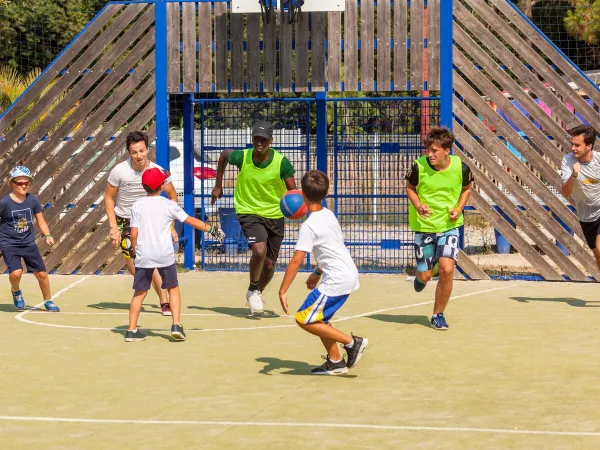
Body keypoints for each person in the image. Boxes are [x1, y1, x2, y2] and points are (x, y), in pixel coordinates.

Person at [279, 170, 368, 376]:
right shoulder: (328, 215)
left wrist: (283, 290)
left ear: (301, 194)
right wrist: (317, 272)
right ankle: (335, 361)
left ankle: (352, 342)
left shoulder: (309, 226)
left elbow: (296, 260)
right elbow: (331, 247)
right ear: (327, 193)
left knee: (303, 318)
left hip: (337, 279)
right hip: (345, 273)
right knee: (319, 318)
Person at [125, 168, 225, 342]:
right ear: (162, 186)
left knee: (139, 293)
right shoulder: (169, 205)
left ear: (143, 186)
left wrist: (134, 249)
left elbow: (134, 233)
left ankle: (131, 330)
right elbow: (189, 220)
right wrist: (211, 229)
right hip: (164, 255)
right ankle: (176, 325)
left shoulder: (137, 205)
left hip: (144, 254)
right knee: (173, 289)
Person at [211, 120, 296, 315]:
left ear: (270, 141)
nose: (259, 143)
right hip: (248, 210)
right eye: (256, 138)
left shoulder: (281, 163)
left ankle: (254, 291)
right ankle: (254, 285)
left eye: (263, 140)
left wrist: (297, 208)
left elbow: (294, 192)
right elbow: (224, 155)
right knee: (259, 251)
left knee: (269, 264)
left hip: (275, 214)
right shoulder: (243, 157)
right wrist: (218, 185)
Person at [405, 126, 473, 330]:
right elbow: (409, 188)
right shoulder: (418, 167)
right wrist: (418, 205)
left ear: (446, 150)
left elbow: (467, 189)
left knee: (447, 269)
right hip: (424, 227)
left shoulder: (462, 168)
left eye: (434, 150)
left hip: (449, 227)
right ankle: (421, 276)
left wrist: (459, 208)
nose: (430, 154)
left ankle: (437, 315)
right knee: (425, 275)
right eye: (428, 150)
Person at [104, 131, 179, 316]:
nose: (139, 156)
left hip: (150, 221)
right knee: (135, 266)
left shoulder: (158, 171)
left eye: (142, 151)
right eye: (134, 152)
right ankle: (157, 295)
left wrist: (170, 226)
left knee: (150, 262)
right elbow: (108, 197)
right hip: (126, 221)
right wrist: (113, 227)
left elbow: (172, 195)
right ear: (129, 153)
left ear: (147, 149)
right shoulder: (119, 171)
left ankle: (163, 300)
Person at [0, 166, 60, 312]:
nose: (24, 186)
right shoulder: (4, 203)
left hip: (28, 243)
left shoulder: (32, 200)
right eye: (20, 183)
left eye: (27, 183)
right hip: (9, 243)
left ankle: (48, 301)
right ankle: (16, 292)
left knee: (42, 274)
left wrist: (48, 235)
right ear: (13, 184)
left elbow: (41, 220)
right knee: (16, 273)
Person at [560, 124, 600, 270]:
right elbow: (566, 192)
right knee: (597, 254)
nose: (572, 148)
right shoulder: (568, 161)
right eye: (572, 144)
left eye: (577, 145)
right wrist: (574, 175)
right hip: (586, 215)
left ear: (589, 146)